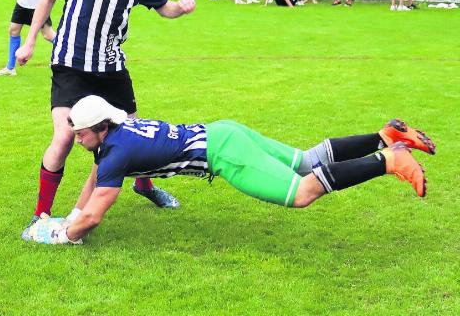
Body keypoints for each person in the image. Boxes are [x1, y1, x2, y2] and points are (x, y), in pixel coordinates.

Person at [25, 95, 434, 245]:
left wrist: (63, 233)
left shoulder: (113, 151)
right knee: (309, 160)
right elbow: (95, 181)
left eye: (80, 134)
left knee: (303, 192)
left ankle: (388, 159)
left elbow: (97, 214)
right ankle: (385, 135)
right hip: (224, 129)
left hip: (223, 153)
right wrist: (72, 216)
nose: (76, 140)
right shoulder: (116, 132)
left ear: (99, 129)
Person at [14, 0, 196, 238]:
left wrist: (180, 9)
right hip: (70, 65)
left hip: (111, 69)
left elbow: (164, 8)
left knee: (134, 133)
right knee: (65, 136)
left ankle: (145, 186)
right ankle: (41, 214)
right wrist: (28, 43)